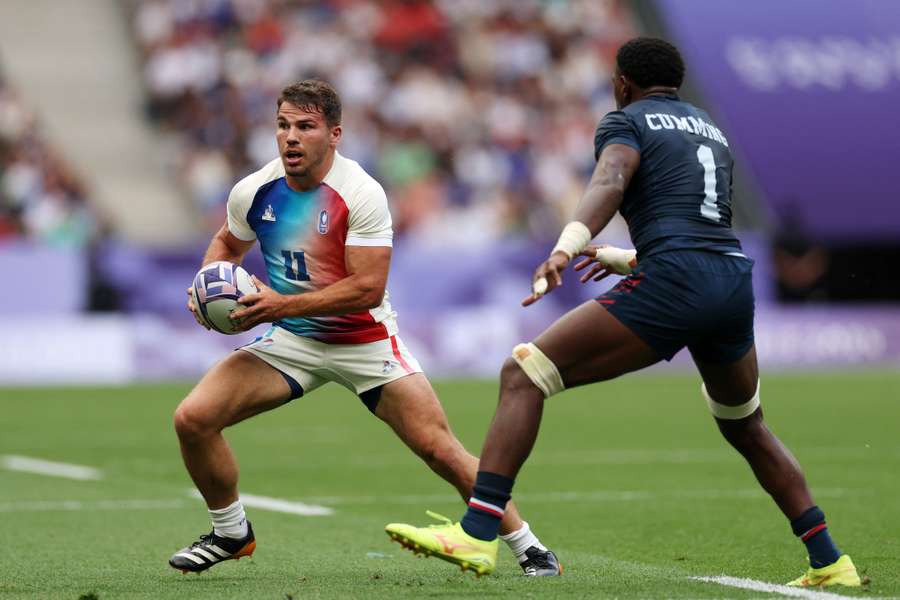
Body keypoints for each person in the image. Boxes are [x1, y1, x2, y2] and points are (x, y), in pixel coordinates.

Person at [385, 38, 861, 587]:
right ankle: (830, 560)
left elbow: (610, 181)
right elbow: (700, 226)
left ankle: (478, 529)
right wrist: (629, 256)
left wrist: (567, 244)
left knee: (525, 372)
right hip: (730, 281)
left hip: (676, 281)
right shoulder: (710, 128)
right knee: (747, 425)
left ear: (621, 83)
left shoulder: (626, 120)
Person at [169, 79, 560, 577]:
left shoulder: (360, 193)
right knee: (193, 419)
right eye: (284, 126)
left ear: (334, 134)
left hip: (364, 341)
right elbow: (227, 244)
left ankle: (530, 547)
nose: (291, 137)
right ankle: (230, 533)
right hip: (292, 340)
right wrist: (206, 287)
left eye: (305, 127)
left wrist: (276, 307)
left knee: (439, 449)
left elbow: (367, 289)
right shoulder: (253, 190)